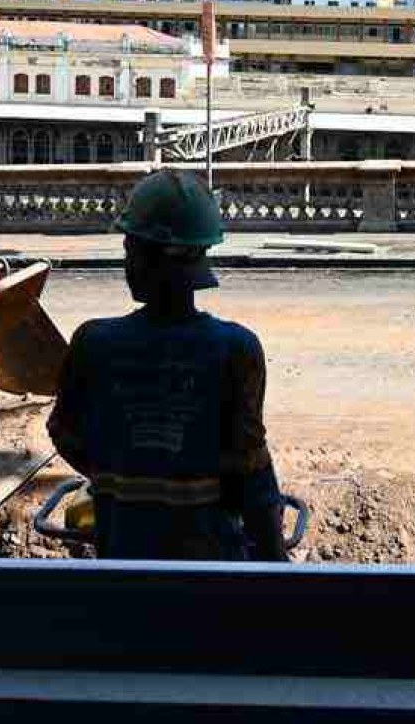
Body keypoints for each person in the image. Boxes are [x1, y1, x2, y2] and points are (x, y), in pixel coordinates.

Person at [48, 169, 289, 560]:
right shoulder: (236, 349)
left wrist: (124, 477)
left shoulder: (94, 344)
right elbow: (254, 479)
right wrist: (279, 573)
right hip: (213, 573)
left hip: (124, 565)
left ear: (143, 255)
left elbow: (65, 433)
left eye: (130, 249)